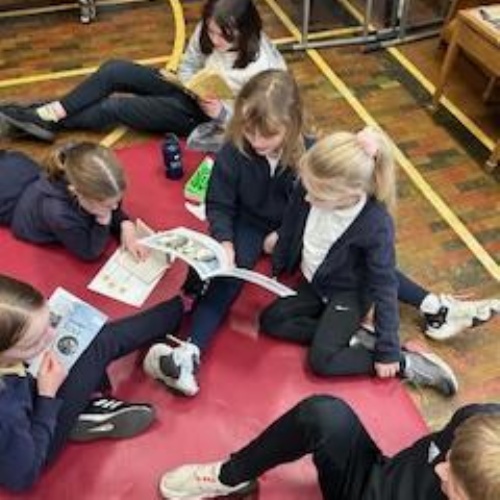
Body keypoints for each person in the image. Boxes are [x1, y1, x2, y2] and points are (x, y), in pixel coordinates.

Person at [259, 127, 458, 396]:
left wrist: (388, 350)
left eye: (317, 195)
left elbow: (385, 285)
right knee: (271, 320)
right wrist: (280, 260)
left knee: (322, 361)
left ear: (350, 191)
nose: (307, 198)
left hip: (348, 293)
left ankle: (406, 362)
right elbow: (293, 220)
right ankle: (354, 337)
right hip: (316, 283)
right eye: (307, 188)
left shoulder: (374, 224)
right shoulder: (312, 185)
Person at [143, 69, 305, 397]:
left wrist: (284, 235)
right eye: (249, 131)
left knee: (335, 258)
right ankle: (190, 352)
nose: (256, 142)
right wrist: (225, 241)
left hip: (288, 229)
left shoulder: (307, 157)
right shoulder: (233, 150)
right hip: (245, 223)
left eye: (268, 135)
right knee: (225, 278)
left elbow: (312, 207)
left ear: (291, 127)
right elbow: (218, 203)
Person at [0, 0, 286, 142]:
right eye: (211, 32)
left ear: (246, 31)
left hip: (206, 118)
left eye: (223, 36)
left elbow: (260, 125)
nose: (215, 40)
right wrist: (189, 82)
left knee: (116, 107)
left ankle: (42, 118)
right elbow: (189, 64)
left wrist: (220, 113)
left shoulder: (264, 70)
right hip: (191, 92)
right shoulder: (211, 27)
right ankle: (46, 115)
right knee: (114, 70)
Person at [0, 273, 183, 492]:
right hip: (35, 444)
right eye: (33, 342)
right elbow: (24, 477)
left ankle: (178, 309)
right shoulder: (7, 411)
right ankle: (182, 307)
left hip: (21, 403)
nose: (51, 334)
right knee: (99, 343)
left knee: (91, 341)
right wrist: (47, 397)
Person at [158, 394, 500, 499]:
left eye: (454, 483)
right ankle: (231, 476)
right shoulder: (478, 422)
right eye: (448, 459)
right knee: (324, 414)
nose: (440, 468)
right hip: (371, 482)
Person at [0, 142, 146, 262]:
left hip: (20, 171)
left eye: (117, 200)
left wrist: (125, 223)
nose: (115, 207)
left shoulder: (76, 168)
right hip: (11, 205)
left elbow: (112, 204)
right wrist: (103, 221)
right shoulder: (58, 213)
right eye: (107, 205)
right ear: (76, 193)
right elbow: (89, 252)